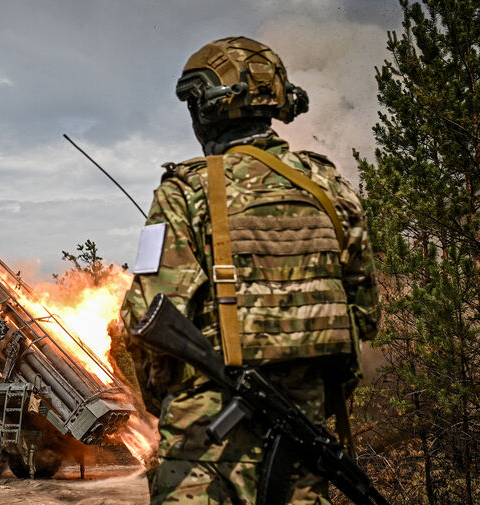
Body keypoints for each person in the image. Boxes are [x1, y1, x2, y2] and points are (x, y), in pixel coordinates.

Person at [121, 36, 379, 504]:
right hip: (304, 436)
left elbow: (145, 316)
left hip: (205, 454)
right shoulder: (329, 187)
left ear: (205, 111)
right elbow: (363, 319)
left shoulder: (184, 192)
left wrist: (168, 401)